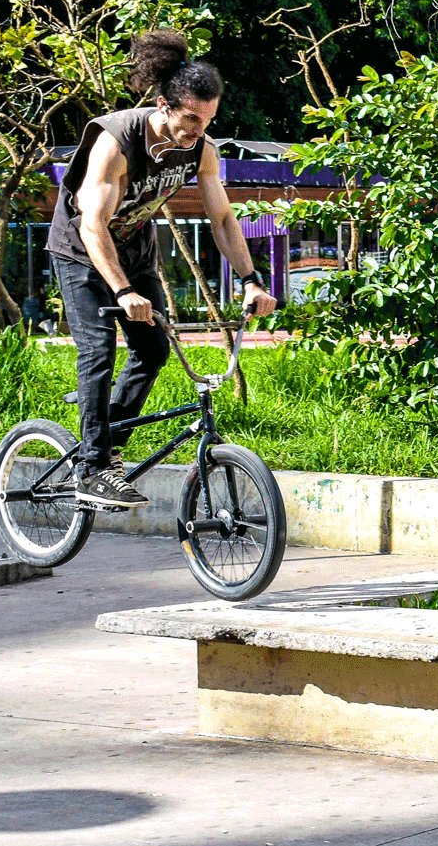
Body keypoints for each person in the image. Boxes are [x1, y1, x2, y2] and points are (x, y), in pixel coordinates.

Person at [44, 30, 277, 510]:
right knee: (98, 352)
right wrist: (124, 291)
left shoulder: (200, 149)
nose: (197, 130)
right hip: (81, 249)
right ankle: (91, 469)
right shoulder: (117, 140)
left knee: (152, 349)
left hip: (133, 249)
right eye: (190, 118)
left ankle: (108, 443)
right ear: (163, 104)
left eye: (206, 121)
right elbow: (91, 225)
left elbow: (223, 218)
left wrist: (252, 279)